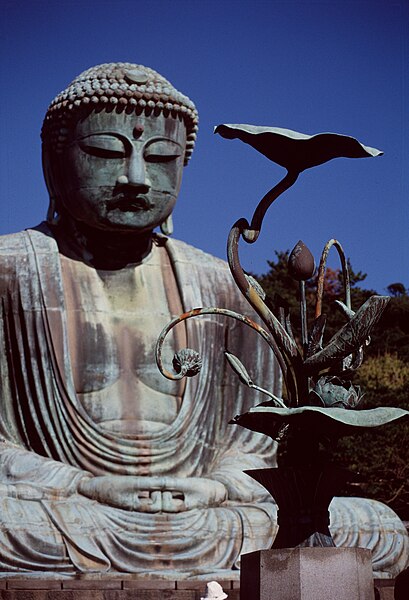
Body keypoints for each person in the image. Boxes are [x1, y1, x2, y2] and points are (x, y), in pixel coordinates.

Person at [0, 62, 407, 579]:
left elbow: (257, 447)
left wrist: (214, 487)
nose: (135, 178)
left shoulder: (221, 284)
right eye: (105, 153)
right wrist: (83, 484)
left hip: (201, 510)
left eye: (162, 158)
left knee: (375, 526)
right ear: (54, 164)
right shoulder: (10, 269)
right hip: (71, 505)